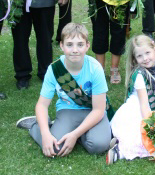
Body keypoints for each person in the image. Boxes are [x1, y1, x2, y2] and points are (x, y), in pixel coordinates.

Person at [15, 23, 112, 157]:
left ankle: (74, 134)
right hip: (68, 111)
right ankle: (36, 126)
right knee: (55, 149)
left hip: (92, 111)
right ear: (61, 45)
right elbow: (42, 105)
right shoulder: (54, 69)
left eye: (80, 44)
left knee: (99, 145)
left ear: (87, 46)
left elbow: (98, 110)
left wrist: (75, 134)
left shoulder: (95, 68)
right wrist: (45, 134)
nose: (75, 50)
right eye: (69, 44)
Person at [106, 35, 155, 164]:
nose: (145, 58)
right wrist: (152, 126)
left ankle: (118, 141)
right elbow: (144, 106)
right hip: (137, 109)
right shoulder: (140, 76)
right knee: (144, 139)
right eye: (140, 56)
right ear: (135, 59)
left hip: (150, 107)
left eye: (147, 53)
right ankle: (119, 151)